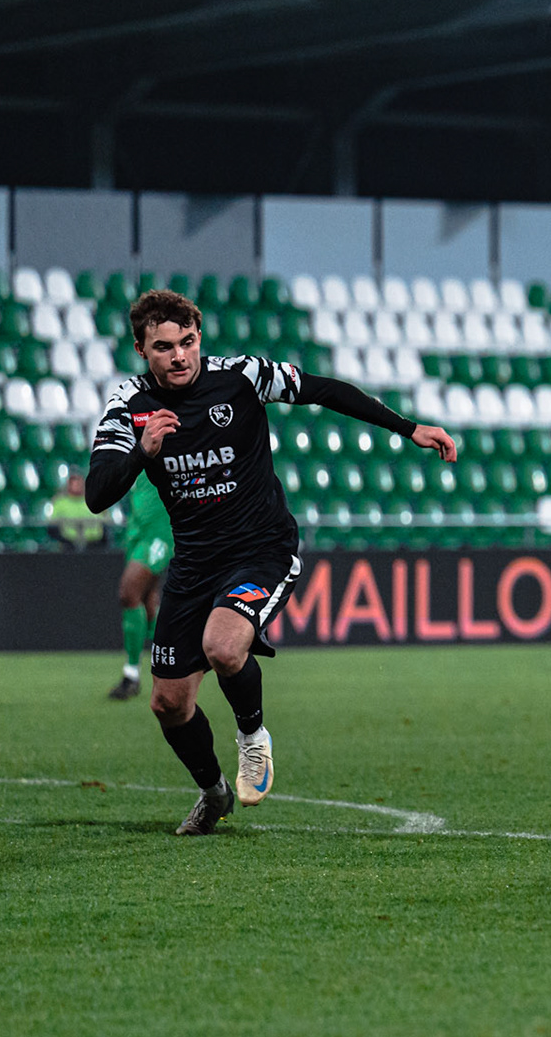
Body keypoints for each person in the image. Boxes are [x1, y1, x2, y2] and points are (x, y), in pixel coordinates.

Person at [85, 290, 457, 836]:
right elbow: (97, 494)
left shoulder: (242, 376)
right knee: (168, 703)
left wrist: (407, 428)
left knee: (224, 644)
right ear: (141, 348)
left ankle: (253, 738)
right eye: (164, 347)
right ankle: (213, 793)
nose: (180, 356)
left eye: (188, 342)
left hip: (260, 546)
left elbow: (322, 389)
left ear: (199, 338)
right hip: (193, 562)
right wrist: (142, 451)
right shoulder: (128, 404)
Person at [108, 472, 172, 700]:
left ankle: (131, 674)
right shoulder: (137, 444)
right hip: (137, 530)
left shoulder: (167, 441)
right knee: (147, 599)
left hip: (159, 533)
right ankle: (171, 664)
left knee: (129, 593)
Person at [45, 471, 105, 550]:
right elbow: (53, 523)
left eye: (79, 484)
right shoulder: (59, 502)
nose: (77, 486)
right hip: (67, 544)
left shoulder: (94, 501)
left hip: (93, 544)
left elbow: (104, 521)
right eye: (75, 484)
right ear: (69, 485)